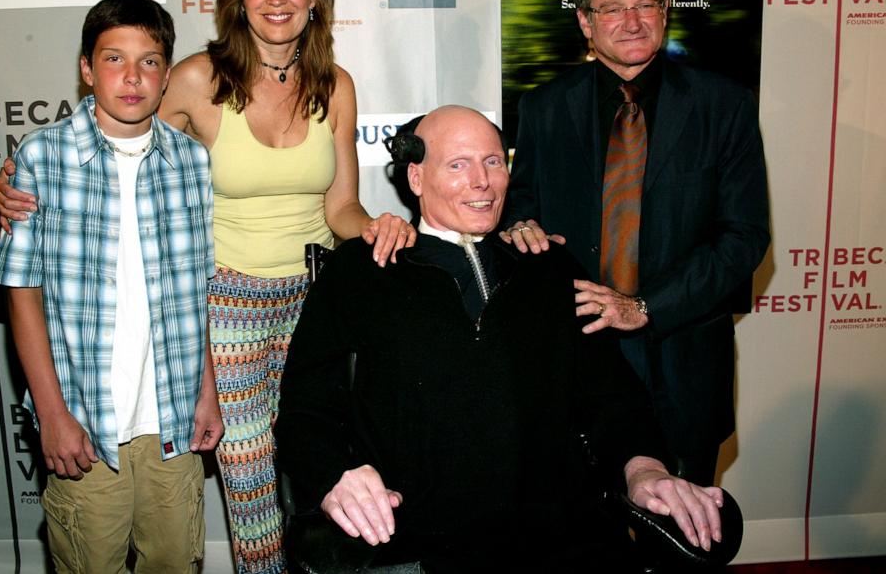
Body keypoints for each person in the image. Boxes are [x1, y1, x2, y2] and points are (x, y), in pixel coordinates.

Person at [0, 0, 415, 574]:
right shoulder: (193, 79)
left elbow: (340, 208)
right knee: (250, 497)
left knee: (321, 471)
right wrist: (21, 191)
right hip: (226, 309)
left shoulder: (337, 84)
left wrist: (384, 228)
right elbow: (119, 160)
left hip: (317, 303)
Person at [274, 106, 725, 572]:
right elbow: (305, 411)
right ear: (416, 178)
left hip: (558, 536)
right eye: (457, 165)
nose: (482, 181)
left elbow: (612, 394)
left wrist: (643, 467)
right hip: (416, 540)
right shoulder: (362, 272)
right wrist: (335, 477)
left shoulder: (548, 267)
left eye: (493, 162)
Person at [503, 0, 770, 486]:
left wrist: (645, 305)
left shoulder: (725, 105)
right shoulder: (543, 107)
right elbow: (520, 205)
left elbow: (744, 237)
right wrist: (519, 225)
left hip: (685, 362)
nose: (631, 21)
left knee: (682, 533)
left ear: (666, 11)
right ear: (584, 21)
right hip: (575, 368)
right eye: (612, 8)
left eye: (645, 4)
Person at [0, 0, 220, 573]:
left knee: (175, 560)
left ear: (167, 75)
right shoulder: (42, 158)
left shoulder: (191, 162)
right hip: (84, 422)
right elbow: (23, 294)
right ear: (87, 69)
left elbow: (197, 292)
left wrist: (207, 389)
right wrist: (52, 412)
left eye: (149, 61)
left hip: (171, 421)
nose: (132, 77)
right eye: (114, 59)